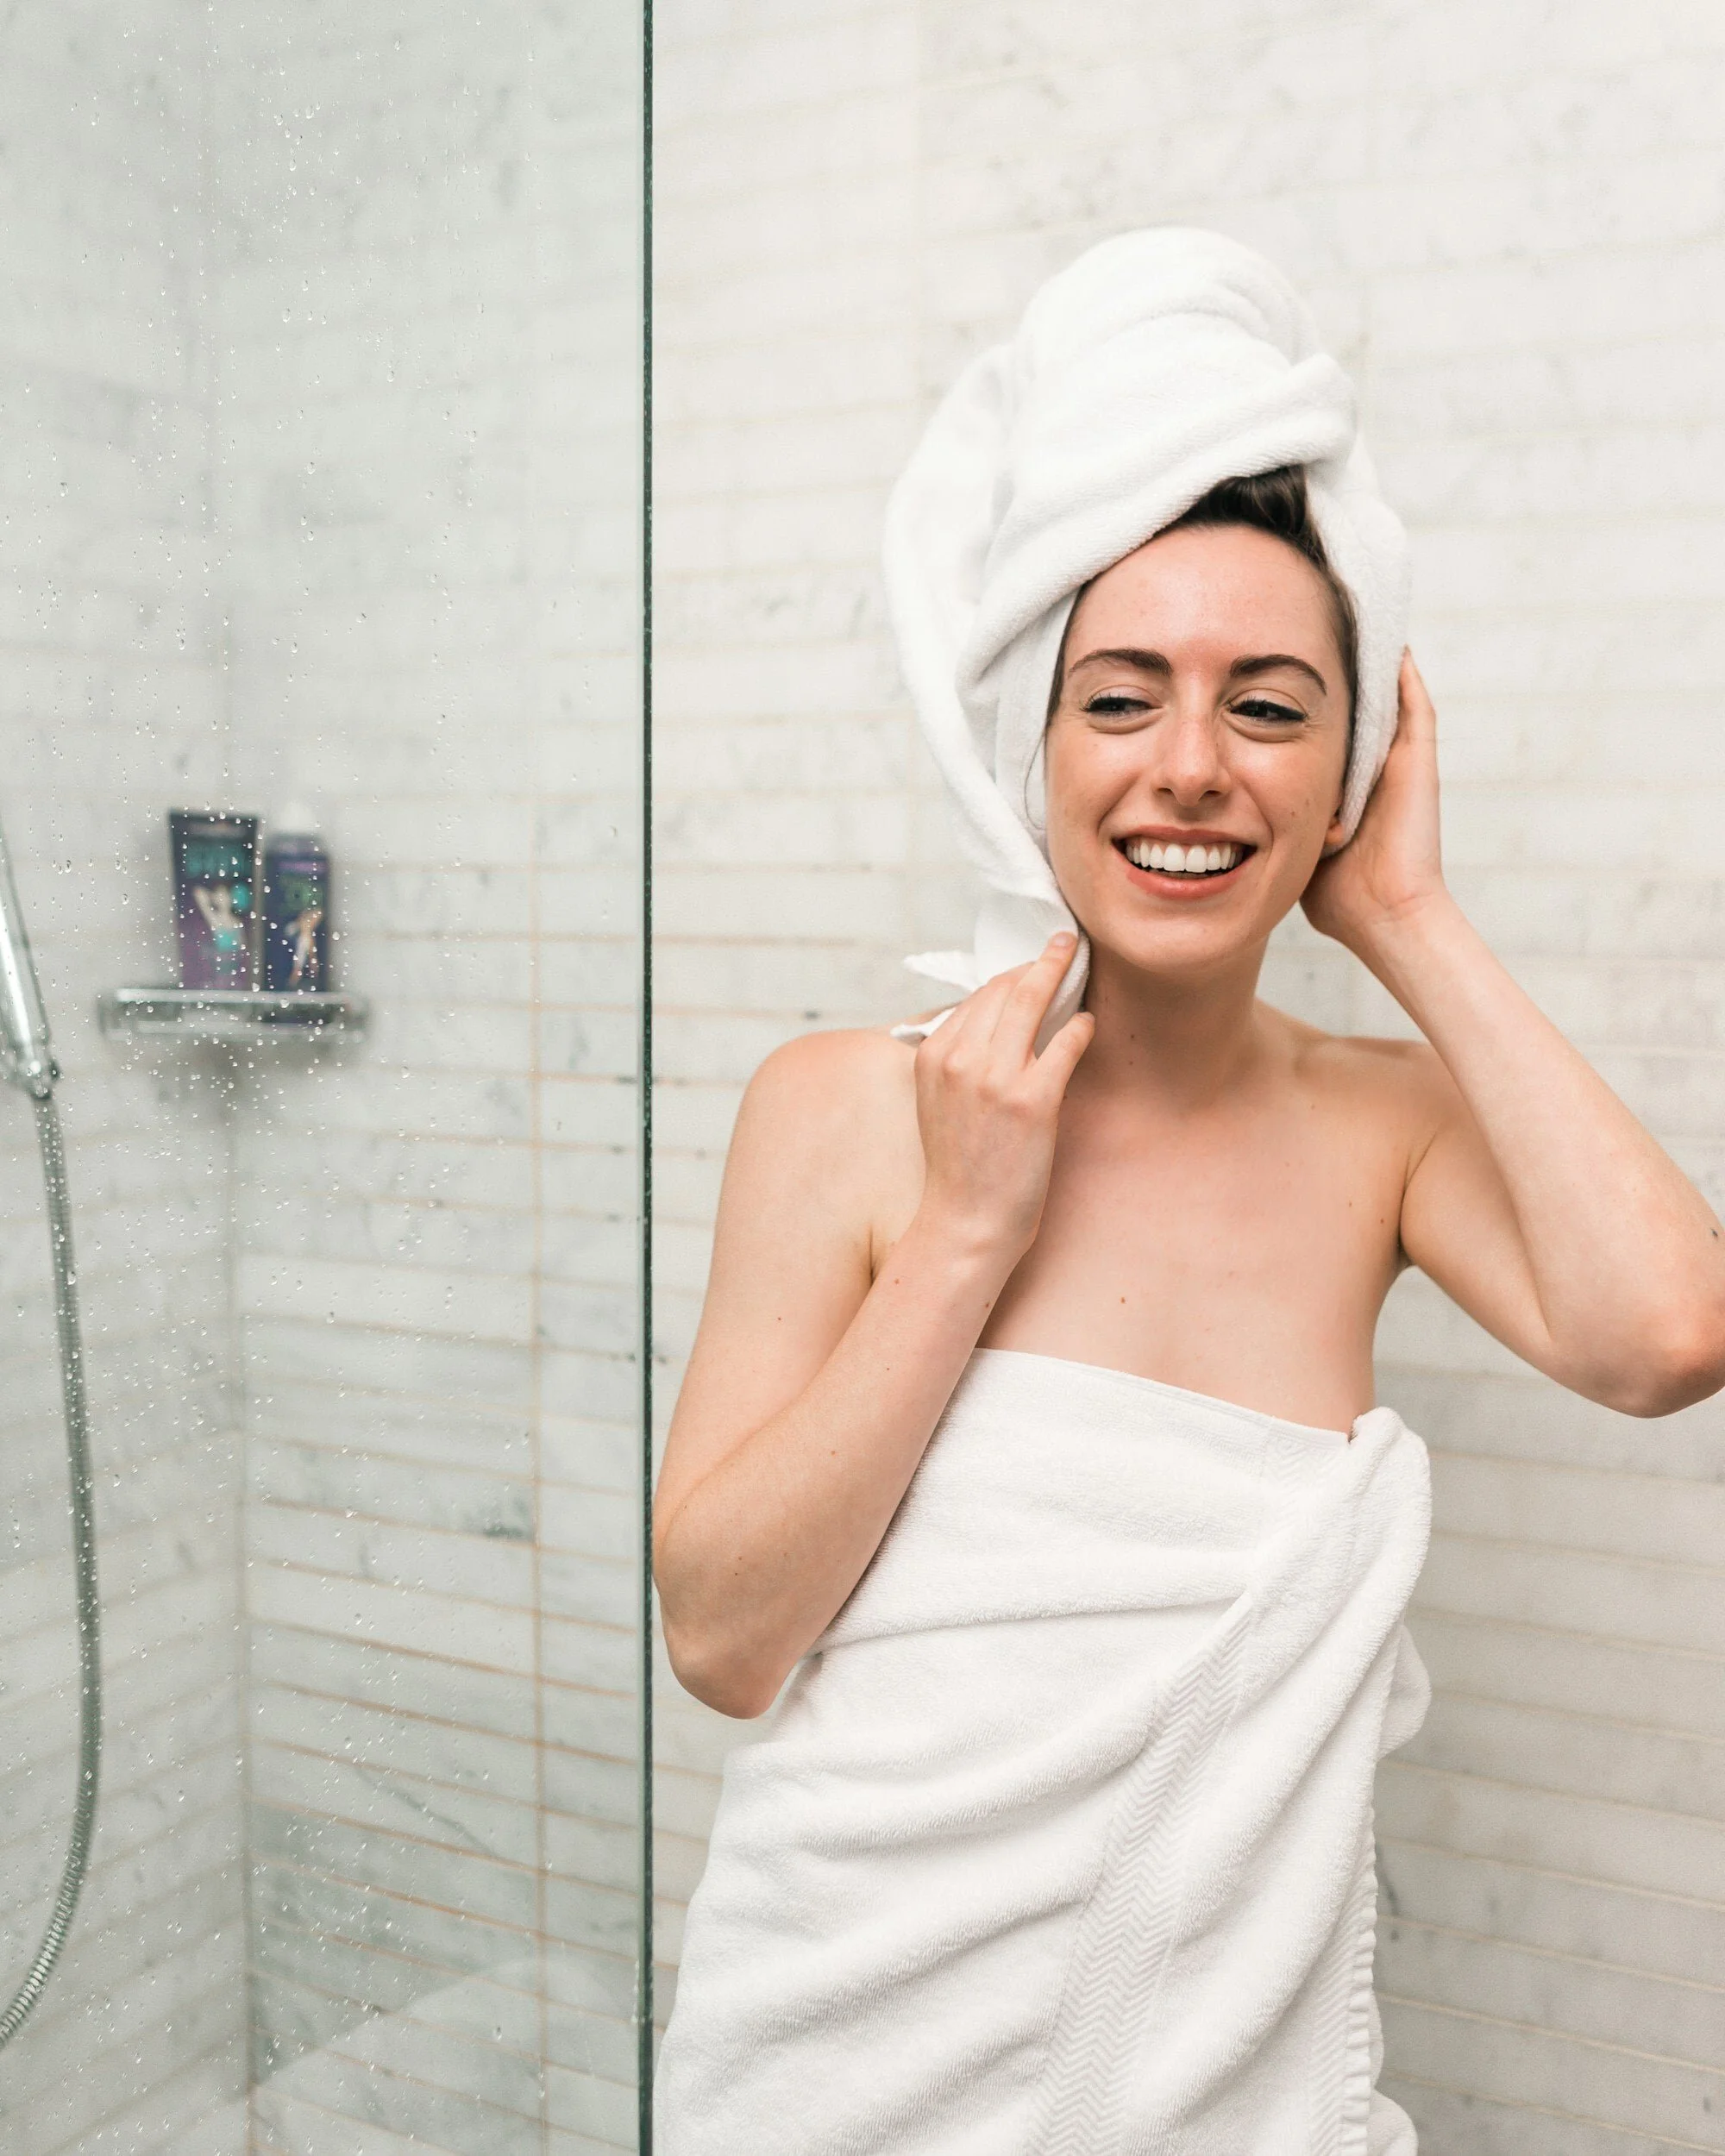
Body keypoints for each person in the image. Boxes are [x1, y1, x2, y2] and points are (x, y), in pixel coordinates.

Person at [650, 237, 1725, 2156]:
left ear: (1347, 766)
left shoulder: (1377, 1131)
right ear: (1032, 750)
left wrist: (1406, 914)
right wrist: (969, 1227)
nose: (1190, 768)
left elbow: (1667, 1333)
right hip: (842, 2061)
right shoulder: (840, 1111)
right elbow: (726, 1637)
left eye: (1270, 706)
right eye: (1122, 697)